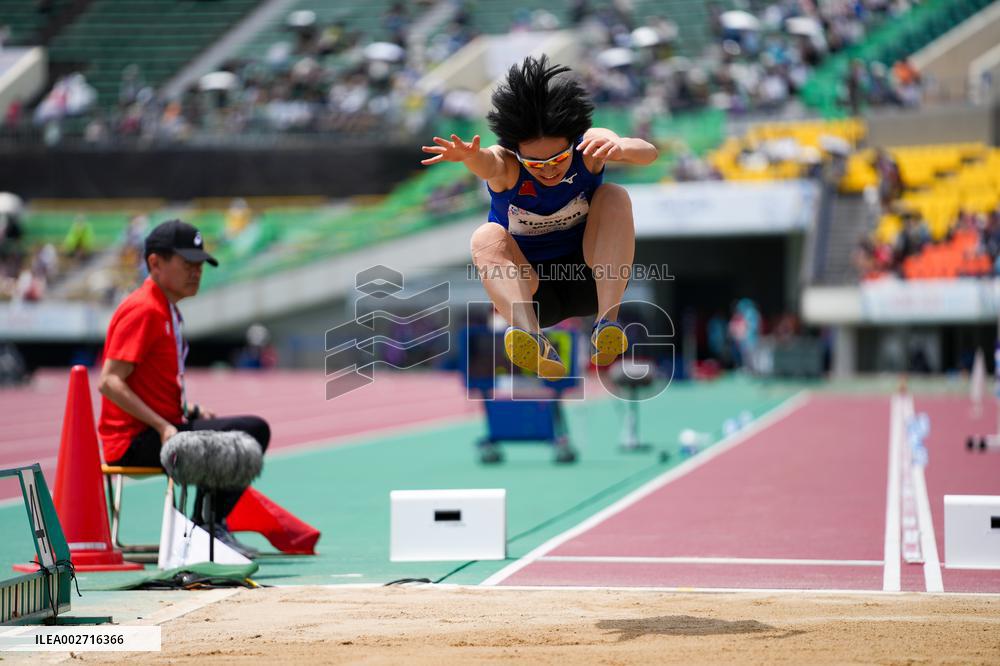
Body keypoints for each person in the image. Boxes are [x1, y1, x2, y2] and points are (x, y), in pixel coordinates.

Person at [421, 55, 657, 379]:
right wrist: (470, 157)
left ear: (572, 144)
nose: (548, 169)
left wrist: (620, 149)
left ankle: (607, 323)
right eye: (535, 163)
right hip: (534, 296)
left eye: (558, 159)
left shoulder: (589, 147)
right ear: (518, 154)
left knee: (614, 195)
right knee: (485, 236)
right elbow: (488, 162)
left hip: (591, 280)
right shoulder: (506, 165)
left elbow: (647, 151)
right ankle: (533, 338)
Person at [97, 219, 269, 558]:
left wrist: (187, 412)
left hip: (159, 430)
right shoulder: (143, 309)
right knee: (251, 431)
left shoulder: (166, 310)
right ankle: (205, 530)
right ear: (155, 263)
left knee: (246, 431)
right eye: (187, 264)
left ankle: (207, 527)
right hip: (135, 441)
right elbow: (109, 381)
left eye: (200, 265)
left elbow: (147, 384)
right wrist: (163, 425)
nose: (196, 272)